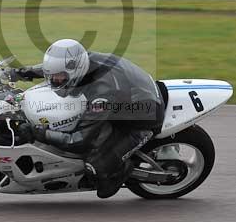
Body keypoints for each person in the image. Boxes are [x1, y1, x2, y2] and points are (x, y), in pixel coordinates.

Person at [12, 39, 164, 199]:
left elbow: (80, 140)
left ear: (75, 71)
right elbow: (55, 68)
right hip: (130, 95)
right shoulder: (81, 59)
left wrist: (40, 133)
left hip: (143, 117)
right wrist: (22, 72)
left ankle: (122, 171)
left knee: (95, 165)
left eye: (59, 78)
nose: (54, 81)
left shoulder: (102, 92)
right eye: (53, 77)